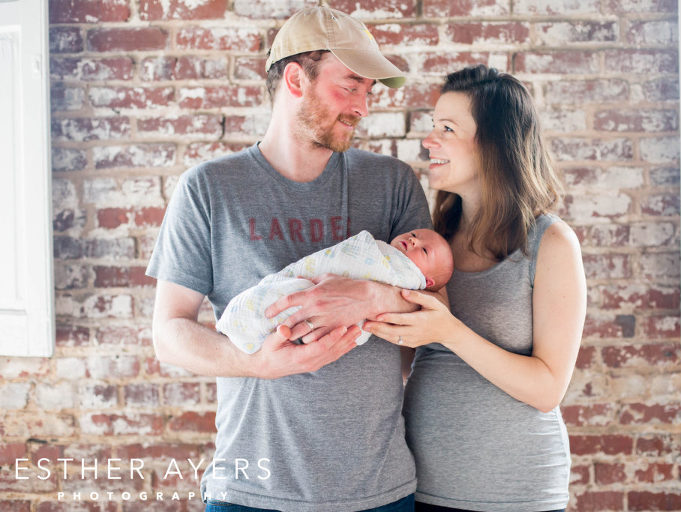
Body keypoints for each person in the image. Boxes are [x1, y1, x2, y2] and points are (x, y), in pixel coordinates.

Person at [147, 5, 434, 511]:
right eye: (349, 86)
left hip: (378, 493)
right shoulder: (209, 189)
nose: (363, 107)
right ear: (296, 79)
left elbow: (436, 312)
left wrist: (367, 297)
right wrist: (254, 363)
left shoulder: (392, 184)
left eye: (369, 91)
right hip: (249, 491)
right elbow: (169, 334)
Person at [364, 65, 587, 512]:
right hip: (420, 485)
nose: (430, 141)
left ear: (494, 145)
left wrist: (448, 330)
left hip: (516, 492)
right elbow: (407, 357)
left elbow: (547, 389)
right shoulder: (432, 240)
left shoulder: (551, 243)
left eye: (447, 128)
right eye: (433, 127)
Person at [218, 228, 454, 354]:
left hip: (370, 431)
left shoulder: (408, 277)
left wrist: (373, 297)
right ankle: (246, 321)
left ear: (427, 281)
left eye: (423, 251)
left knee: (292, 302)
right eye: (414, 235)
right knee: (289, 292)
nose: (414, 242)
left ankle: (250, 321)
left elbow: (436, 310)